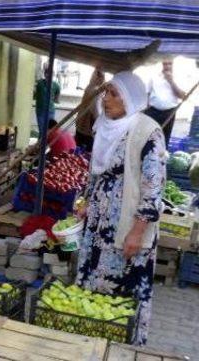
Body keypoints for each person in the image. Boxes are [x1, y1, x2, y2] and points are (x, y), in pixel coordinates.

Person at [77, 72, 166, 345]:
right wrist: (86, 203)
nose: (107, 99)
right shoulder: (104, 126)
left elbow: (154, 186)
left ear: (131, 98)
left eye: (115, 94)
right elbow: (97, 173)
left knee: (123, 289)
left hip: (127, 227)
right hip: (98, 226)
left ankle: (120, 347)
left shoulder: (148, 131)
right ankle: (90, 342)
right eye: (106, 92)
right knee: (94, 284)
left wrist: (138, 232)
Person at [145, 59, 187, 146]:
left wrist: (171, 81)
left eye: (170, 64)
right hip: (153, 111)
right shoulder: (153, 76)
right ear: (161, 65)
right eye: (165, 64)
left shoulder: (178, 77)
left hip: (169, 113)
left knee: (164, 138)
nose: (167, 66)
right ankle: (147, 157)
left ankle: (161, 158)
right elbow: (147, 94)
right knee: (149, 137)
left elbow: (183, 96)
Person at [75, 68, 105, 152]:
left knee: (79, 155)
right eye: (101, 76)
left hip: (81, 128)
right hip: (87, 130)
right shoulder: (95, 91)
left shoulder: (89, 88)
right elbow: (96, 113)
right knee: (85, 157)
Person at [34, 64, 61, 135]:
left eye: (51, 74)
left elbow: (57, 99)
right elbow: (35, 95)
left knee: (49, 132)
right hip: (40, 111)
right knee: (42, 131)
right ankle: (40, 145)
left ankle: (44, 145)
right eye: (47, 74)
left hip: (50, 111)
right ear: (45, 74)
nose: (49, 76)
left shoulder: (56, 85)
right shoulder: (40, 83)